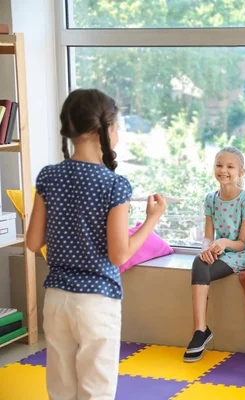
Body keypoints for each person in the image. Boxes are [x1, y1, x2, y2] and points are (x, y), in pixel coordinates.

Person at [26, 88, 167, 400]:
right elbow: (119, 255)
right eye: (116, 126)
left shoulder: (49, 177)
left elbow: (34, 241)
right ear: (104, 129)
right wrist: (151, 220)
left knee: (61, 388)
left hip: (56, 299)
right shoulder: (115, 184)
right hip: (96, 302)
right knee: (96, 391)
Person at [183, 146, 245, 362]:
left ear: (241, 172)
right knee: (199, 262)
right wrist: (206, 248)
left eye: (229, 166)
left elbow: (242, 243)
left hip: (240, 251)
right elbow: (208, 235)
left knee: (203, 267)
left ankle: (200, 333)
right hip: (219, 248)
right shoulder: (211, 199)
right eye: (219, 165)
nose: (223, 170)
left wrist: (224, 242)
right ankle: (200, 330)